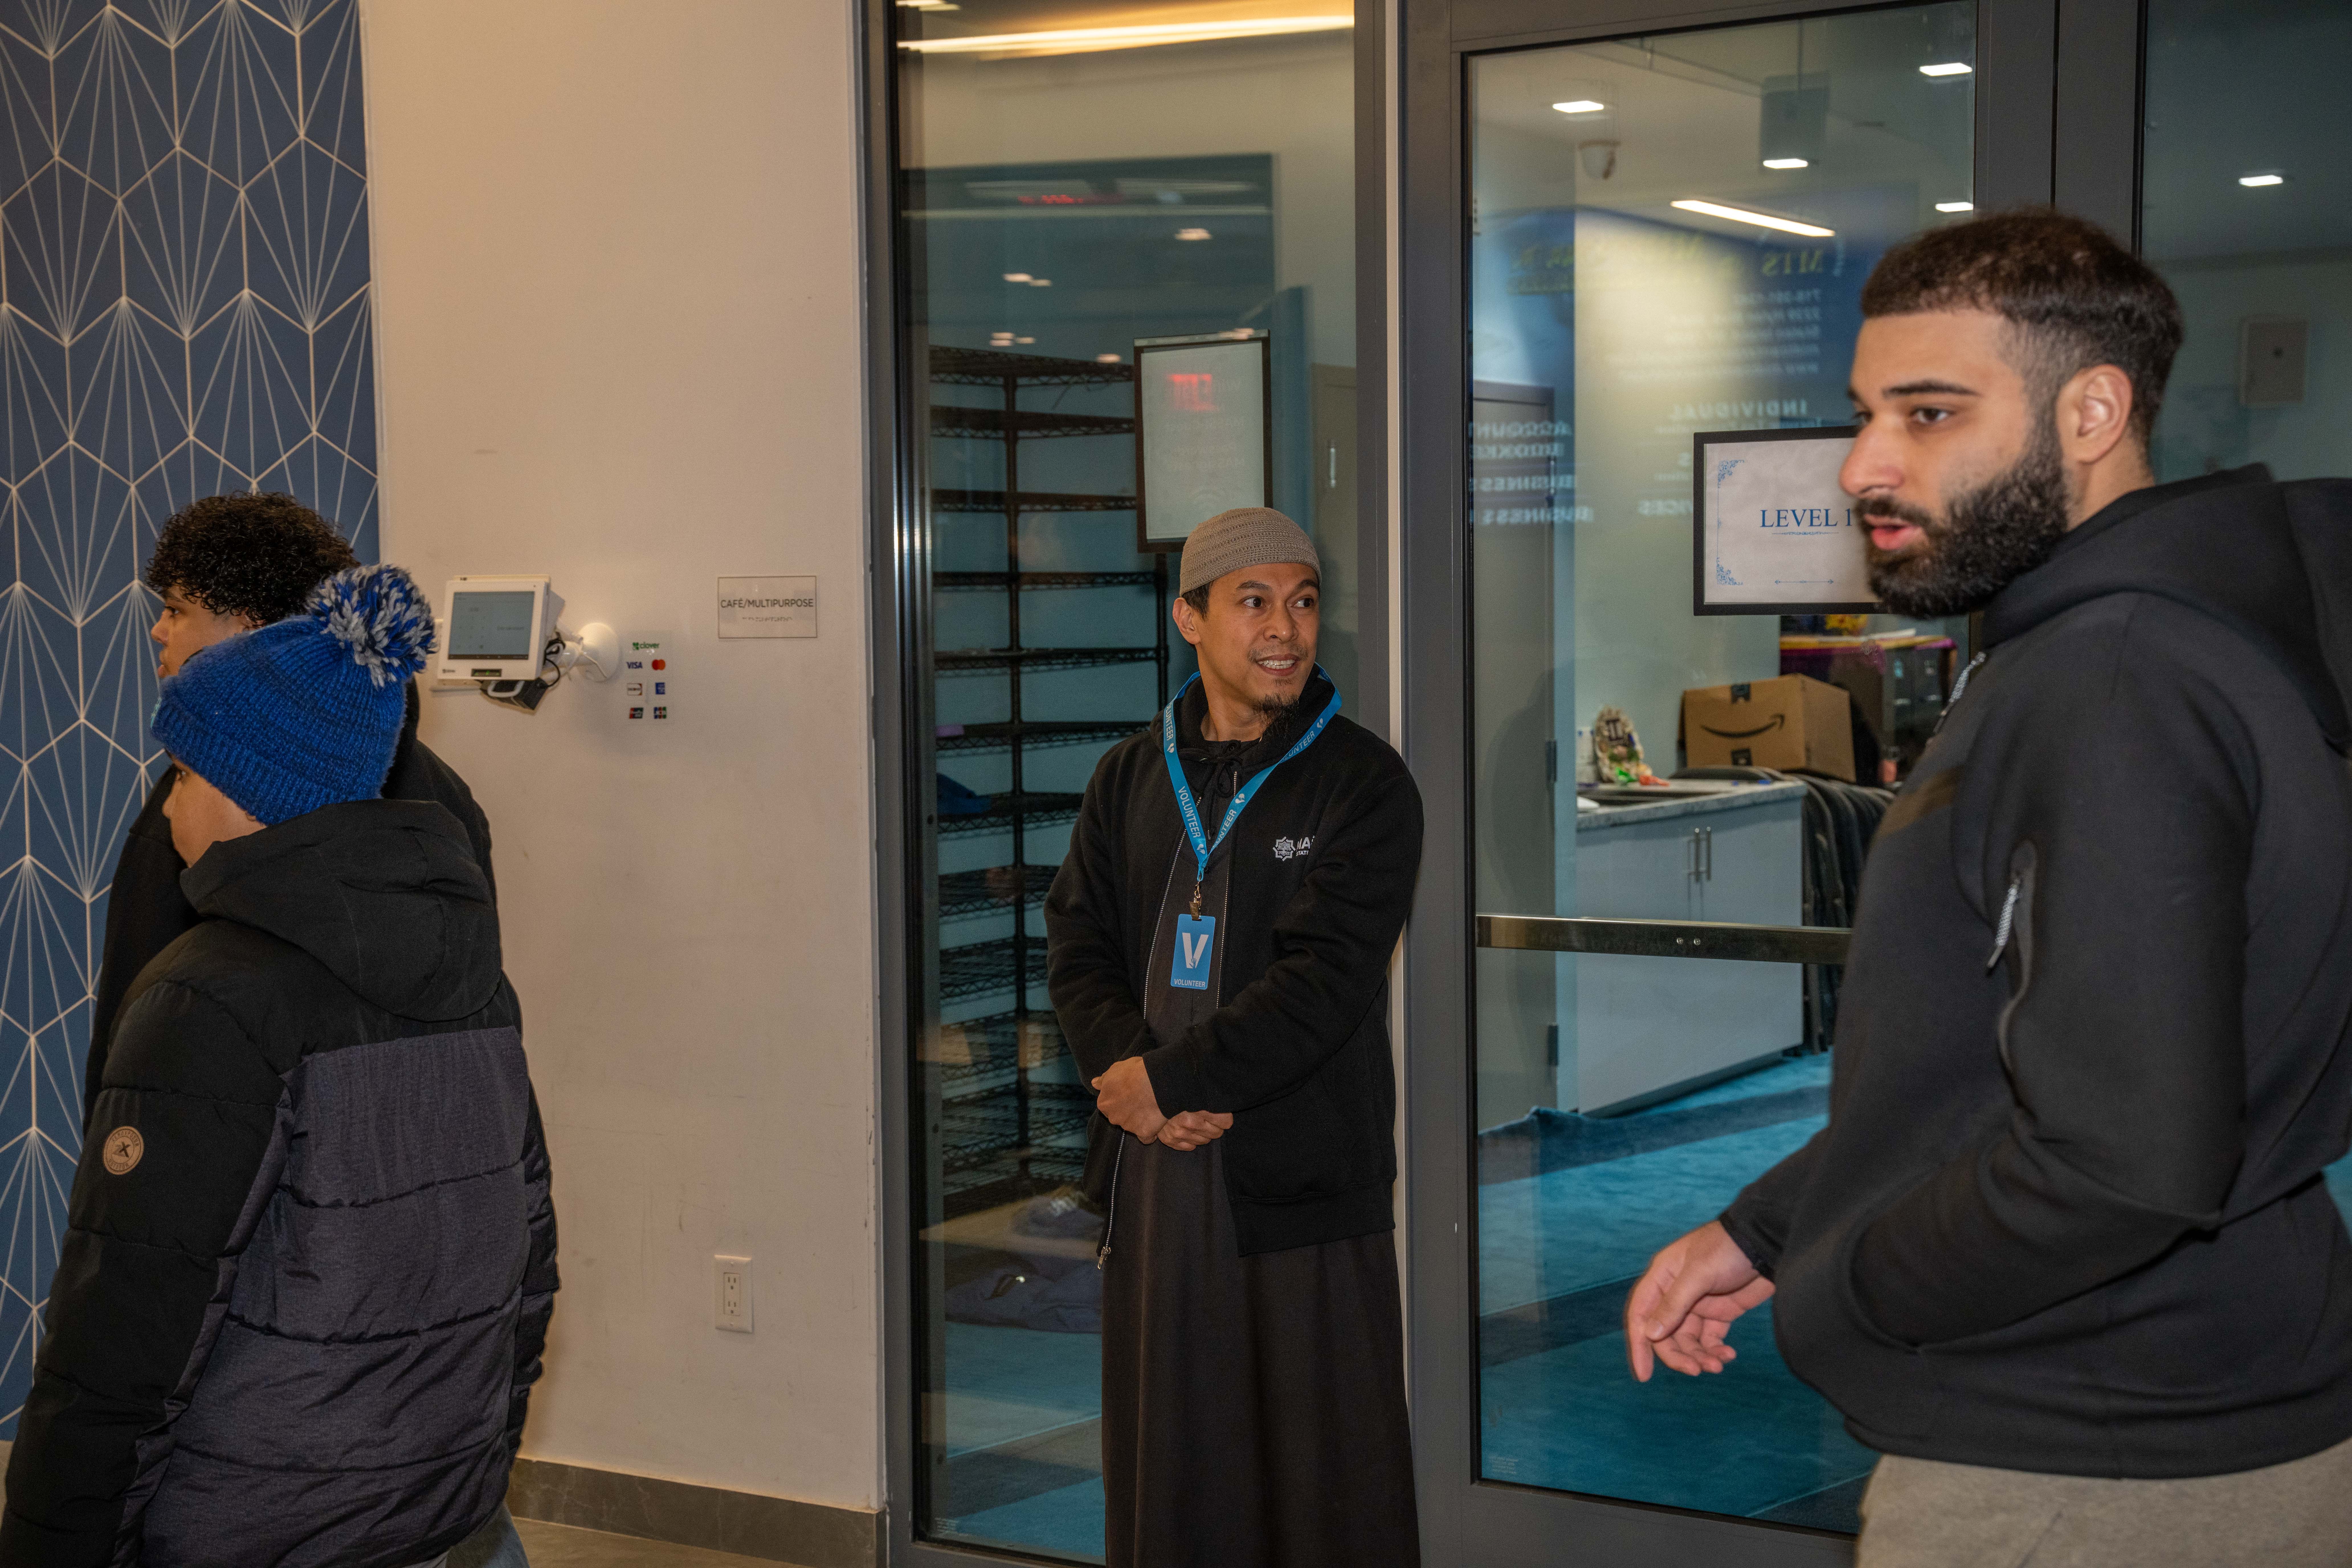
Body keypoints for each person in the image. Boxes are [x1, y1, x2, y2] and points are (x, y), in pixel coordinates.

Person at [1622, 209, 2352, 1564]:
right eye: (1862, 414)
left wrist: (1840, 1291)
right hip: (2178, 1409)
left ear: (2090, 412)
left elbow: (2119, 1161)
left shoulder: (2112, 681)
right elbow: (1995, 1054)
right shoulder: (2121, 647)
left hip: (2081, 1469)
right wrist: (1768, 1222)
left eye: (1928, 413)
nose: (1861, 466)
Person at [0, 565, 553, 1568]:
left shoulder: (209, 998)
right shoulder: (479, 981)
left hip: (253, 1526)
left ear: (251, 791)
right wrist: (471, 1478)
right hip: (446, 1519)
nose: (169, 805)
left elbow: (127, 1335)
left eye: (184, 774)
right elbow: (526, 1265)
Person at [1045, 507, 1425, 1568]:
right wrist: (1127, 1079)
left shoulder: (1363, 782)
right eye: (1253, 601)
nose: (1285, 629)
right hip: (1153, 1172)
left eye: (1303, 602)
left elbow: (1326, 980)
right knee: (1175, 1460)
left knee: (1322, 1474)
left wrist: (1173, 1079)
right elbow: (1076, 942)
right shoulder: (1129, 775)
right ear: (1189, 618)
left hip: (1300, 1180)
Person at [89, 492, 494, 1123]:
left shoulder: (202, 808)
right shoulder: (445, 804)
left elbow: (139, 1026)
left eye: (177, 609)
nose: (159, 630)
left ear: (250, 628)